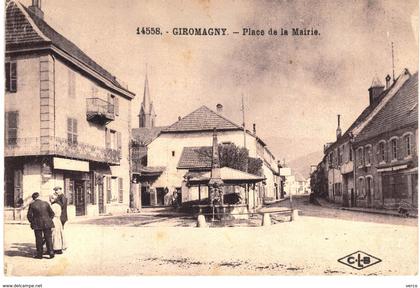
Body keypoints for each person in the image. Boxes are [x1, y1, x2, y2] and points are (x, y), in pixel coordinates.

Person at [27, 192, 55, 259]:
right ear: (39, 197)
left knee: (38, 239)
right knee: (48, 238)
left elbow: (29, 216)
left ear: (33, 198)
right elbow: (52, 213)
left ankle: (39, 255)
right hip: (47, 223)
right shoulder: (46, 203)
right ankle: (51, 253)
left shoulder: (32, 205)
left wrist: (32, 222)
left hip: (37, 224)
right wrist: (48, 219)